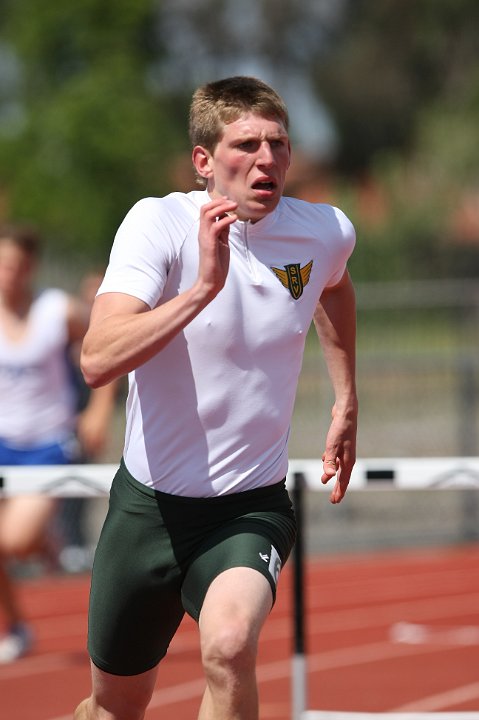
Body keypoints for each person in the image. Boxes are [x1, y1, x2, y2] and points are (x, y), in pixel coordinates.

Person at [75, 75, 358, 720]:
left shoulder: (323, 231)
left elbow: (335, 288)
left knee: (229, 647)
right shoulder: (158, 224)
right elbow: (96, 360)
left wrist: (346, 399)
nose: (267, 160)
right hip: (149, 510)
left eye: (279, 144)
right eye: (247, 144)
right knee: (112, 707)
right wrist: (202, 288)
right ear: (204, 161)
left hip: (248, 507)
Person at [0, 227, 116, 662]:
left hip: (48, 444)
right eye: (2, 265)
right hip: (1, 442)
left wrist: (100, 408)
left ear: (30, 268)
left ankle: (45, 539)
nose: (8, 275)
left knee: (13, 541)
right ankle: (16, 624)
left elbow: (106, 341)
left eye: (16, 266)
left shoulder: (57, 310)